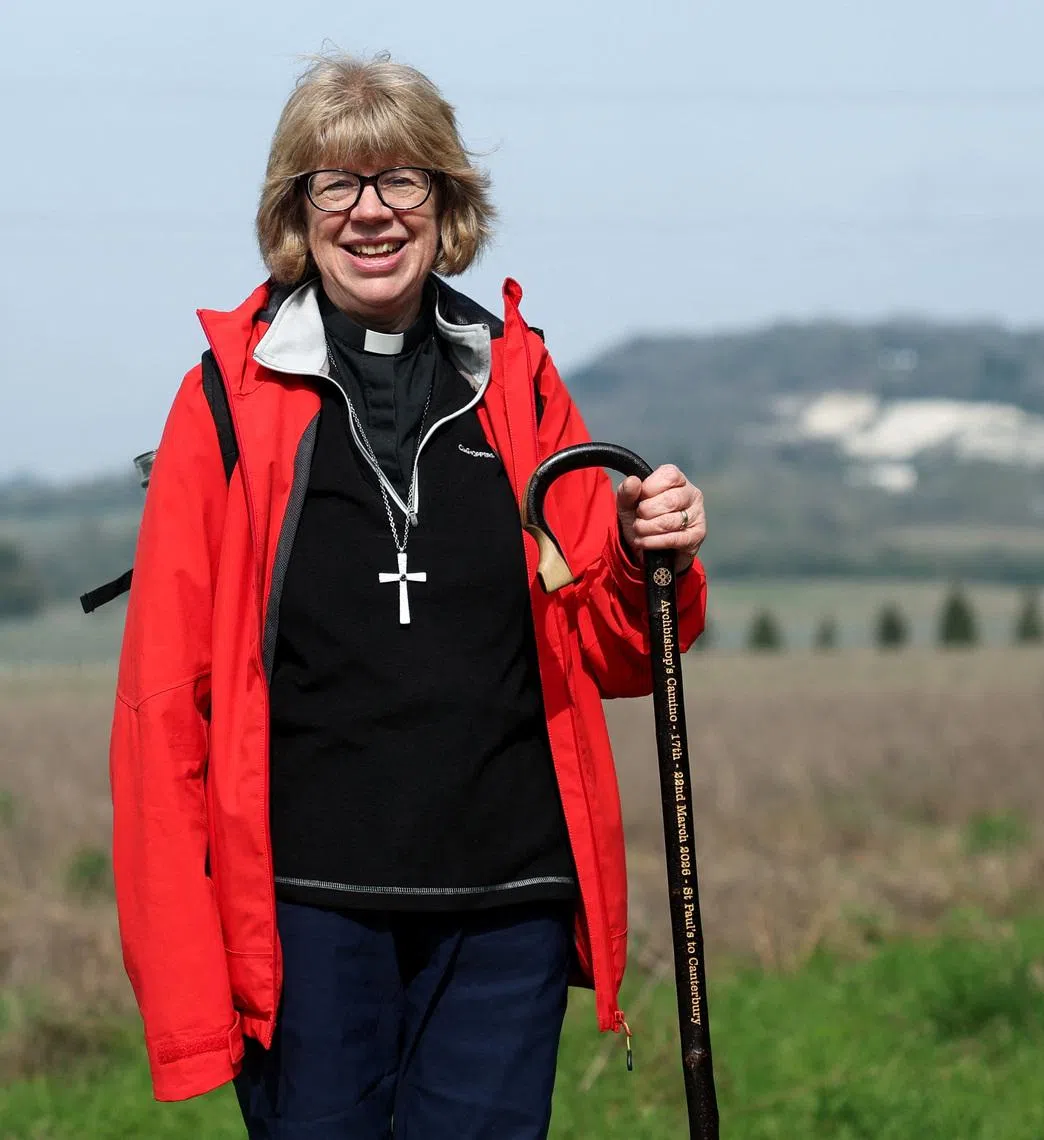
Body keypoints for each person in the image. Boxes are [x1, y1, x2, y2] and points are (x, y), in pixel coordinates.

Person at [109, 51, 708, 1140]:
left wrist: (645, 546)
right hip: (303, 910)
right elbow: (163, 706)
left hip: (507, 908)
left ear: (447, 204)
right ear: (297, 212)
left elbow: (623, 646)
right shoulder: (225, 400)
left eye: (403, 181)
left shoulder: (516, 376)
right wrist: (188, 976)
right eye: (337, 184)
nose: (371, 213)